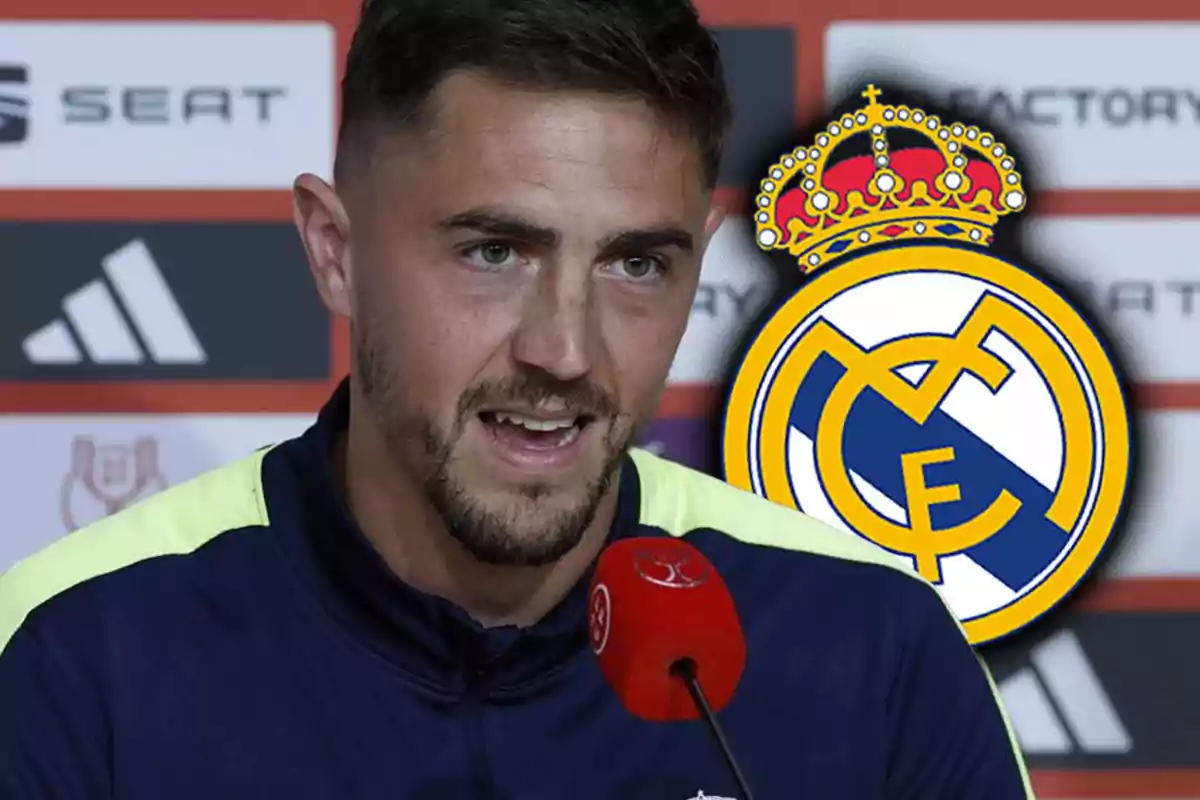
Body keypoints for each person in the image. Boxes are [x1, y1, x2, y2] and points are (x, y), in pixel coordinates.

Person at [0, 0, 1034, 797]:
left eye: (636, 264)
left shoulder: (871, 647)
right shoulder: (75, 648)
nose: (566, 351)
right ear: (335, 249)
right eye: (495, 251)